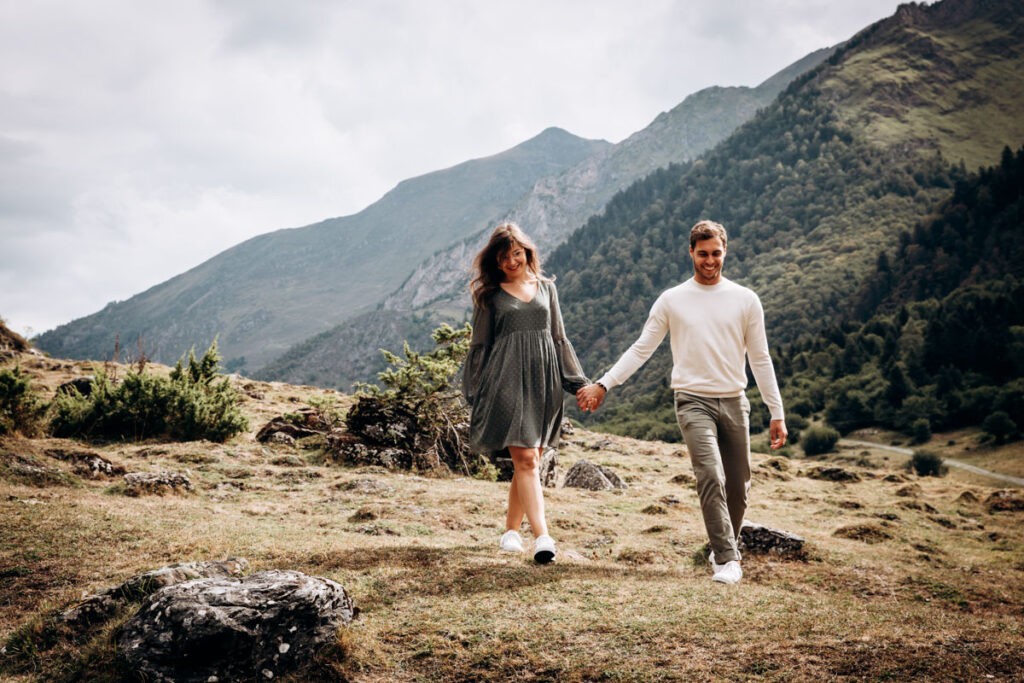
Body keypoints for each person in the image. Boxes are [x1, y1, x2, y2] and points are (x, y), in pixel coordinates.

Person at [576, 219, 787, 584]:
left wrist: (776, 412)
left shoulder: (746, 300)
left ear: (725, 251)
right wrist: (604, 384)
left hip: (735, 402)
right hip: (692, 402)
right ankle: (726, 559)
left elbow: (761, 358)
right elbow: (642, 348)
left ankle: (722, 543)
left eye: (716, 253)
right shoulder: (672, 299)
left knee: (739, 486)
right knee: (710, 475)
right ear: (691, 252)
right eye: (702, 253)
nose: (709, 260)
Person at [462, 222, 590, 564]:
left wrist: (576, 382)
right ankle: (543, 537)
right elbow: (480, 346)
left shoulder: (547, 288)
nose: (512, 262)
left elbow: (559, 338)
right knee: (528, 459)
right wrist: (474, 391)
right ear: (496, 261)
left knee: (527, 460)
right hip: (504, 379)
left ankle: (510, 531)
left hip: (542, 380)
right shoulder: (489, 295)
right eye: (504, 257)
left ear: (527, 253)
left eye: (517, 253)